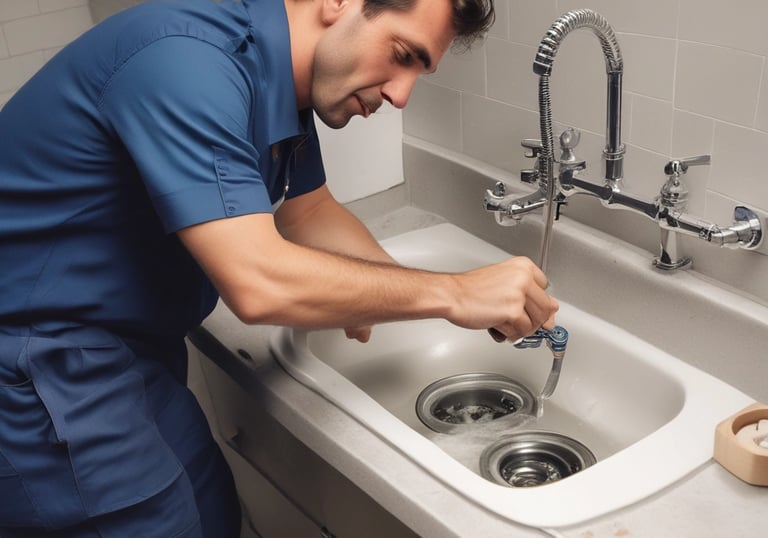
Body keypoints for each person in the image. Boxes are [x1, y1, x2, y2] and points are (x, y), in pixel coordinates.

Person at [0, 0, 558, 536]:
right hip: (38, 370)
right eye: (402, 55)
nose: (402, 94)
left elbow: (309, 211)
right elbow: (257, 282)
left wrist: (402, 294)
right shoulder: (186, 61)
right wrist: (452, 293)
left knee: (212, 510)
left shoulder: (279, 84)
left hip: (134, 355)